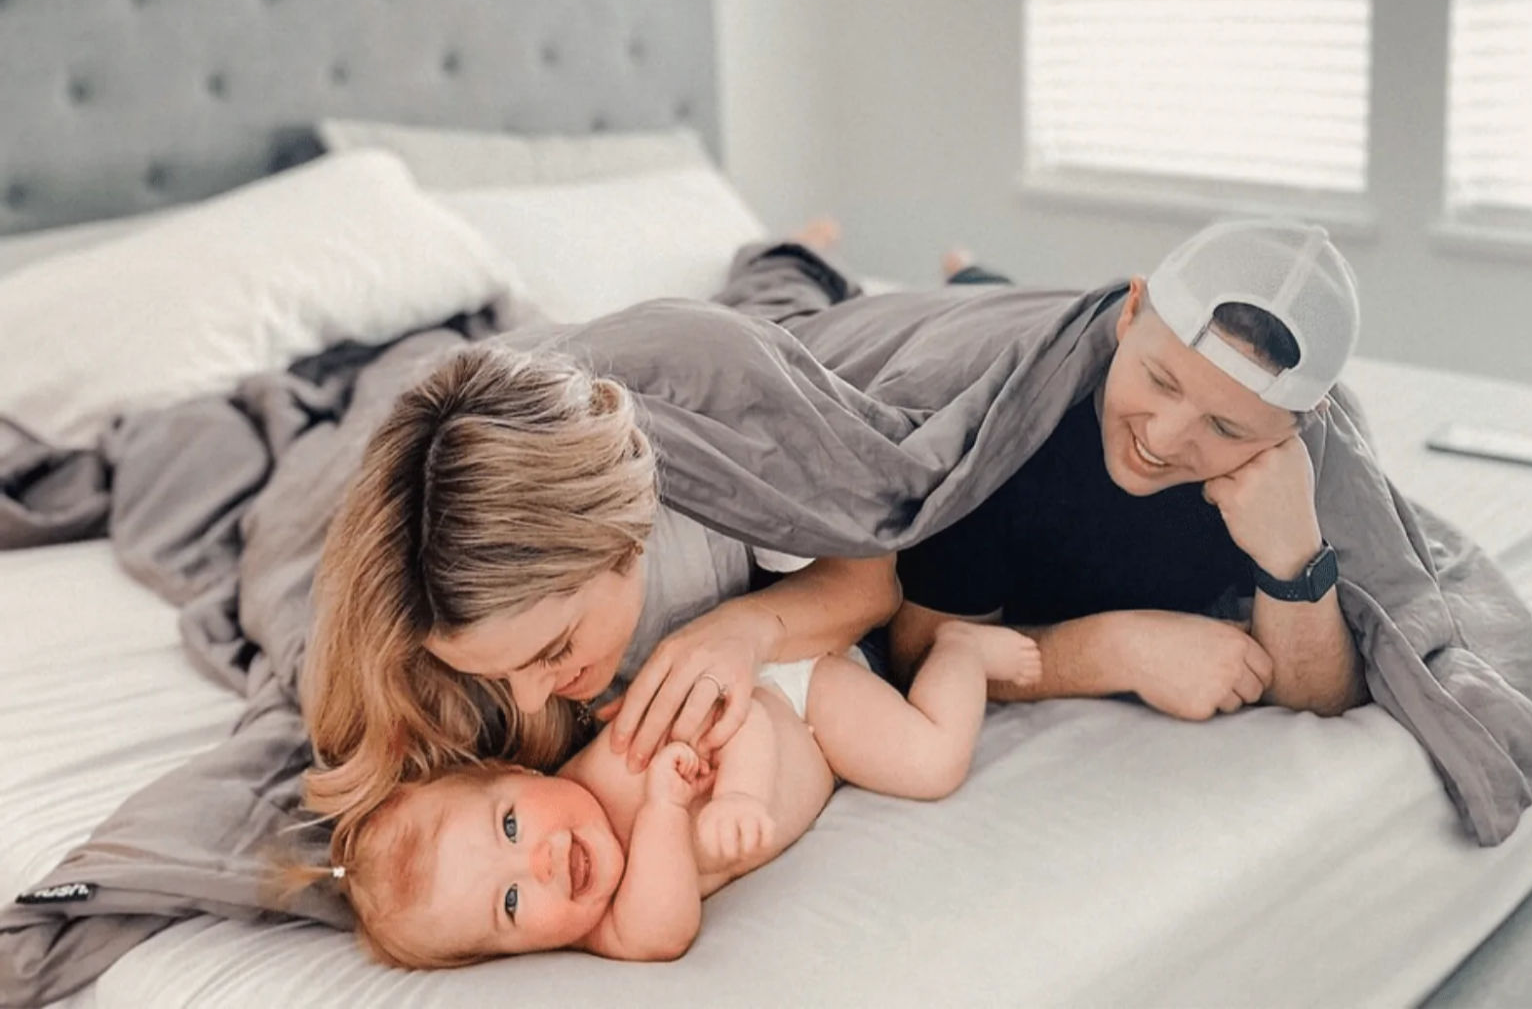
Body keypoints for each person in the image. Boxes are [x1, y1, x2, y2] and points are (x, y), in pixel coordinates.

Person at [301, 338, 901, 854]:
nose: (532, 701)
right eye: (498, 674)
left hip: (703, 368)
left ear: (619, 543)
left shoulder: (725, 470)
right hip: (475, 415)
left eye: (555, 648)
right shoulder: (421, 620)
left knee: (795, 305)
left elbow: (872, 585)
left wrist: (748, 628)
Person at [300, 620, 1039, 967]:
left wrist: (739, 798)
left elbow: (737, 710)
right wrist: (665, 815)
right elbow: (667, 932)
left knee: (933, 760)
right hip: (821, 761)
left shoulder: (616, 761)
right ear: (509, 951)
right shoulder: (605, 925)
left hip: (799, 700)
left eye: (513, 827)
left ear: (523, 776)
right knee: (924, 763)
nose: (545, 864)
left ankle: (958, 649)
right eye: (512, 904)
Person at [889, 219, 1367, 722]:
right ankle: (943, 269)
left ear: (1300, 425)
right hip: (967, 326)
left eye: (1225, 429)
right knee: (805, 291)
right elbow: (918, 649)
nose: (1161, 440)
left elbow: (1320, 700)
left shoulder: (1285, 470)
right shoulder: (1010, 426)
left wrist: (1293, 556)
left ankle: (971, 271)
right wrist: (1116, 651)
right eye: (1161, 381)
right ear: (1131, 309)